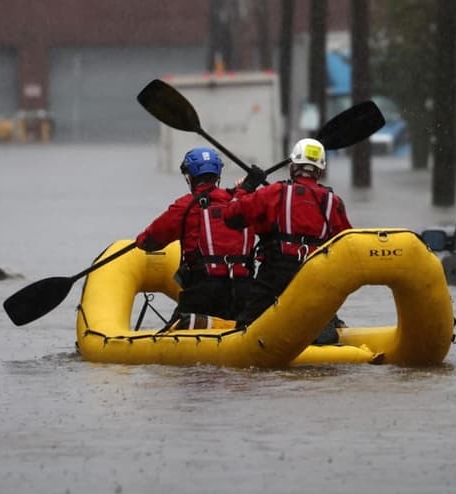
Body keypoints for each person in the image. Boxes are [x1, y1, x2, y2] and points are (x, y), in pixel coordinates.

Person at [222, 137, 352, 343]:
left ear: (293, 167)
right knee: (319, 315)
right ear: (320, 170)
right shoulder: (333, 202)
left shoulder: (275, 192)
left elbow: (231, 217)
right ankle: (327, 328)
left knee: (245, 328)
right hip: (315, 273)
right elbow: (347, 246)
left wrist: (245, 188)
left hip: (276, 273)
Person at [134, 146, 257, 329]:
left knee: (172, 332)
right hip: (244, 290)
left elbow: (148, 241)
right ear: (217, 174)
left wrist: (140, 241)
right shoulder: (243, 202)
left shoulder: (185, 206)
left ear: (190, 176)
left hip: (203, 292)